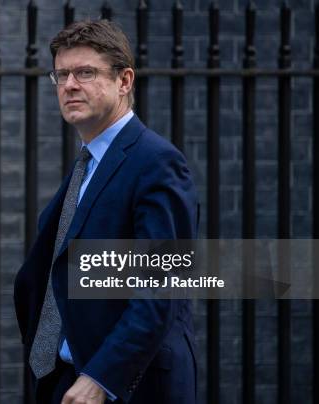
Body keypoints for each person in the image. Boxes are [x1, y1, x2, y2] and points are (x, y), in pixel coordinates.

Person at [14, 20, 198, 404]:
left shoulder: (156, 161)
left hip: (125, 386)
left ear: (124, 81)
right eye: (62, 74)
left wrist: (101, 378)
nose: (69, 85)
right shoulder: (90, 161)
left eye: (85, 72)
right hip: (66, 377)